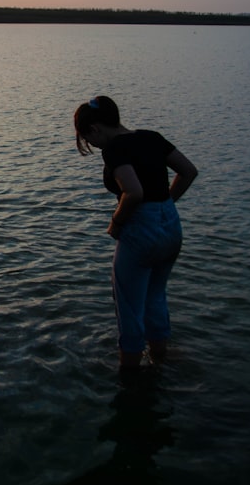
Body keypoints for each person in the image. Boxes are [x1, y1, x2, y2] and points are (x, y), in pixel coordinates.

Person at [74, 95, 198, 369]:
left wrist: (116, 224)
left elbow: (134, 192)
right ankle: (159, 359)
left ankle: (129, 378)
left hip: (141, 232)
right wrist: (165, 203)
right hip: (171, 226)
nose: (92, 145)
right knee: (155, 296)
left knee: (129, 307)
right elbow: (188, 171)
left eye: (88, 139)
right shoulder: (151, 137)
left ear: (95, 129)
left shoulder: (115, 148)